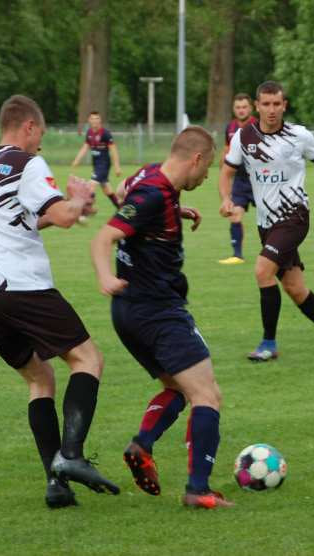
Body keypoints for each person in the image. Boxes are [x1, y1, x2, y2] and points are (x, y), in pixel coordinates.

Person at [0, 94, 118, 509]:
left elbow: (26, 219)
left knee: (39, 379)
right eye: (41, 135)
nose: (41, 145)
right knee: (88, 360)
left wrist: (71, 208)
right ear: (29, 127)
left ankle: (56, 484)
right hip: (23, 285)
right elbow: (65, 216)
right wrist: (77, 200)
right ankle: (70, 456)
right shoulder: (26, 163)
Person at [91, 126, 233, 509]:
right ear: (196, 159)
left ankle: (142, 445)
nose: (205, 179)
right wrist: (105, 275)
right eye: (207, 171)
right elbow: (105, 237)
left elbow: (124, 194)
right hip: (157, 311)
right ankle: (198, 490)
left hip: (128, 313)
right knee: (207, 395)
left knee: (177, 389)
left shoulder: (148, 178)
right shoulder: (154, 193)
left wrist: (175, 210)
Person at [219, 80, 314, 362]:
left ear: (284, 105)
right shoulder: (243, 137)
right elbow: (227, 171)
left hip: (294, 216)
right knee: (294, 288)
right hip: (265, 222)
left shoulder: (298, 135)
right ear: (257, 106)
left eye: (276, 104)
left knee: (262, 271)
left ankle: (268, 344)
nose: (271, 110)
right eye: (265, 104)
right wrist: (225, 199)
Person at [218, 93, 258, 265]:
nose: (241, 110)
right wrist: (224, 171)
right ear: (234, 109)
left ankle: (279, 251)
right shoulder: (231, 127)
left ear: (250, 108)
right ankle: (237, 255)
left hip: (259, 179)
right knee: (234, 215)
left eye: (244, 107)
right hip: (240, 181)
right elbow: (226, 149)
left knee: (271, 218)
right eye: (238, 107)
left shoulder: (259, 125)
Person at [70, 111, 122, 210]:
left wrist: (117, 166)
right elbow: (85, 147)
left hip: (104, 165)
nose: (95, 121)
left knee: (91, 185)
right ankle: (120, 208)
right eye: (93, 119)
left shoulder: (105, 134)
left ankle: (86, 210)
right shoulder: (89, 133)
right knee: (107, 189)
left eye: (97, 118)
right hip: (96, 165)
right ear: (89, 120)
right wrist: (77, 160)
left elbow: (113, 150)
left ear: (100, 120)